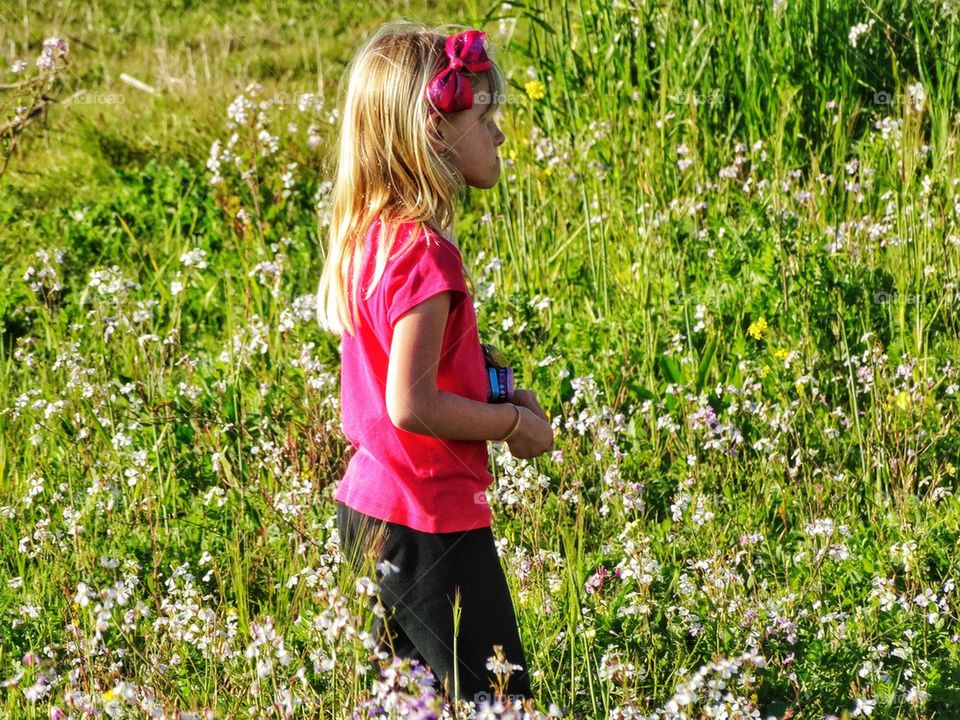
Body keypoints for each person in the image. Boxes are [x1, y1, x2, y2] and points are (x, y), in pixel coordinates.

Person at [314, 20, 554, 709]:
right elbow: (411, 404)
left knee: (407, 702)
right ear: (436, 132)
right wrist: (509, 423)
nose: (500, 134)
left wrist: (499, 386)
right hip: (430, 522)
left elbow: (423, 372)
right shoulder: (426, 255)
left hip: (371, 513)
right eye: (487, 116)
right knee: (497, 699)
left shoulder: (374, 239)